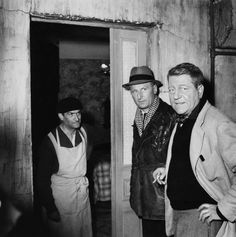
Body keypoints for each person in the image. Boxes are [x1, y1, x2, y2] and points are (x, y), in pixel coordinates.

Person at [153, 62, 236, 237]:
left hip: (201, 221)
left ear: (199, 90)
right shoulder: (183, 119)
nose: (176, 96)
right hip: (179, 216)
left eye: (183, 88)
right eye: (172, 89)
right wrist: (168, 170)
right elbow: (193, 158)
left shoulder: (219, 124)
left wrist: (222, 210)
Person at [122, 66, 176, 237]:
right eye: (134, 91)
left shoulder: (170, 115)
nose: (139, 96)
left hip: (162, 197)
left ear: (154, 88)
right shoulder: (140, 116)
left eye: (144, 89)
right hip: (143, 196)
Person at [36, 97, 92, 237]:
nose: (77, 118)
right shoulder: (50, 142)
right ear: (61, 116)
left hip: (82, 194)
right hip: (61, 199)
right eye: (71, 114)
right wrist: (50, 208)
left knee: (84, 230)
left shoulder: (84, 132)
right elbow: (41, 180)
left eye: (78, 113)